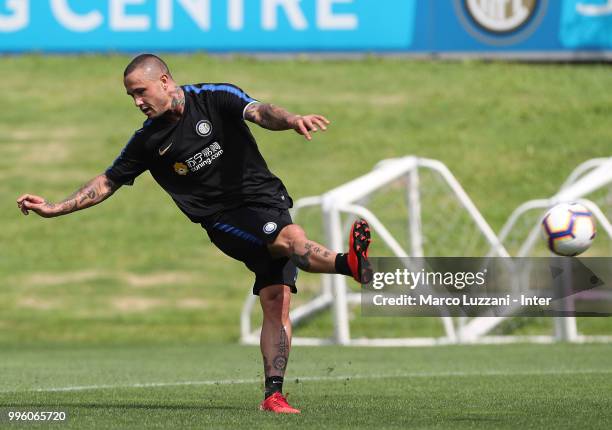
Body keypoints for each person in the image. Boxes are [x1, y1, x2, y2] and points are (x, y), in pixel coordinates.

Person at [16, 54, 372, 414]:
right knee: (289, 239)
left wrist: (293, 119)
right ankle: (349, 264)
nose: (138, 102)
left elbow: (260, 112)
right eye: (131, 97)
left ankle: (274, 395)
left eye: (141, 92)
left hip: (265, 198)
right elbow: (108, 181)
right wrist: (55, 207)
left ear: (166, 82)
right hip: (224, 219)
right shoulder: (147, 141)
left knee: (275, 299)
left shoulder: (214, 97)